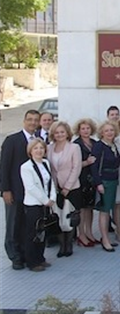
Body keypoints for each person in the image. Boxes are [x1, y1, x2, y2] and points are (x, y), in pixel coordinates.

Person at [1, 109, 40, 270]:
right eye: (30, 119)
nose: (32, 122)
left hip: (31, 193)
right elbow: (4, 166)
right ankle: (14, 256)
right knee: (13, 224)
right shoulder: (12, 140)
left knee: (26, 225)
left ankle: (25, 253)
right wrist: (5, 190)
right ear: (24, 121)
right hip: (15, 191)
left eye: (35, 120)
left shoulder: (38, 142)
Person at [47, 121, 82, 257]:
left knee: (70, 217)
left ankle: (69, 245)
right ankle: (62, 246)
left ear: (67, 133)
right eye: (56, 132)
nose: (59, 134)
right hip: (55, 188)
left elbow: (76, 167)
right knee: (58, 217)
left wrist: (67, 186)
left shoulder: (74, 147)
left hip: (72, 187)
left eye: (62, 132)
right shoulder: (49, 148)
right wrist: (54, 187)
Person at [20, 139, 55, 272]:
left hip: (46, 204)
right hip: (33, 204)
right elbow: (31, 187)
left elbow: (51, 182)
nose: (39, 151)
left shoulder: (46, 163)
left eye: (41, 148)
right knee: (33, 233)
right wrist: (45, 200)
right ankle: (32, 262)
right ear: (30, 151)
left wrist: (52, 198)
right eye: (35, 148)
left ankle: (40, 258)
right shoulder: (26, 167)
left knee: (42, 231)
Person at [91, 121, 120, 252]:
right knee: (104, 211)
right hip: (104, 182)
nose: (109, 133)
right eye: (106, 131)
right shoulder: (99, 146)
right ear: (102, 133)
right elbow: (94, 167)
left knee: (109, 210)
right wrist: (98, 183)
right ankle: (104, 239)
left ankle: (106, 238)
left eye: (111, 130)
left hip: (113, 180)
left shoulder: (113, 145)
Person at [73, 118, 98, 247]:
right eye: (83, 128)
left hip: (92, 180)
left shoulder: (94, 143)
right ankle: (81, 235)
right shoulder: (76, 144)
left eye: (88, 128)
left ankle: (89, 232)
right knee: (82, 209)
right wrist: (86, 162)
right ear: (78, 130)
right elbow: (74, 164)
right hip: (81, 179)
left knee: (90, 208)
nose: (85, 131)